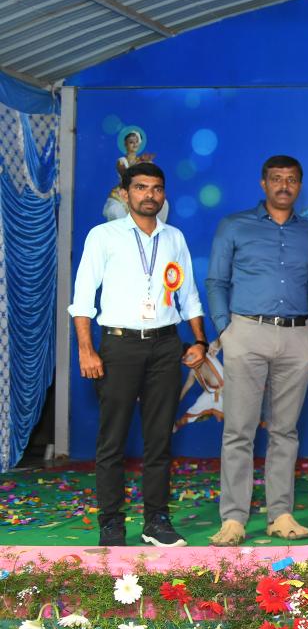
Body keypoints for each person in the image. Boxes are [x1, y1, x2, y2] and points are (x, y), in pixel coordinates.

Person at [69, 162, 207, 547]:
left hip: (165, 346)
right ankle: (111, 523)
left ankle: (156, 521)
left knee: (159, 439)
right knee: (112, 440)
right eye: (141, 187)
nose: (150, 194)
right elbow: (83, 299)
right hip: (119, 346)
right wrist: (86, 349)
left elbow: (189, 296)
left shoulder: (174, 237)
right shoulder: (103, 236)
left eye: (157, 188)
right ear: (125, 192)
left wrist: (200, 341)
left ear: (164, 194)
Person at [206, 155, 308, 547]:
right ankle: (234, 518)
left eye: (291, 179)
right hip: (246, 333)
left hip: (297, 336)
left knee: (285, 431)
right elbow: (217, 280)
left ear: (299, 185)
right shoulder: (234, 225)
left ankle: (280, 515)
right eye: (276, 178)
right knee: (239, 430)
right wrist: (226, 330)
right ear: (263, 183)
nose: (283, 186)